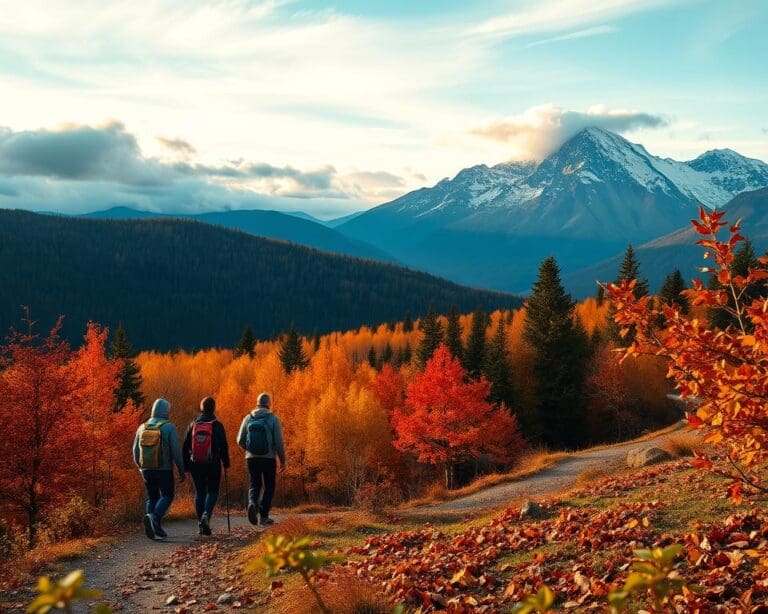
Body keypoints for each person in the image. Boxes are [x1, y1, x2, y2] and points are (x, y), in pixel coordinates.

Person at [132, 398, 185, 541]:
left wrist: (141, 468)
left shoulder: (142, 427)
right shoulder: (169, 427)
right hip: (164, 469)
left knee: (152, 497)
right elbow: (176, 452)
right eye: (168, 410)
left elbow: (135, 450)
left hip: (146, 469)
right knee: (167, 495)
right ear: (165, 411)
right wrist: (181, 470)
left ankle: (155, 527)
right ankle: (154, 518)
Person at [182, 396, 230, 536]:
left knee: (200, 493)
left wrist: (186, 468)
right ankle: (206, 516)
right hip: (213, 462)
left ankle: (200, 524)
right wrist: (225, 464)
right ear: (213, 408)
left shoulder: (193, 424)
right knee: (212, 491)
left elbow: (185, 447)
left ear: (201, 408)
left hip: (196, 463)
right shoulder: (217, 425)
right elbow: (224, 446)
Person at [237, 392, 286, 526]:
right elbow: (278, 442)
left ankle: (252, 503)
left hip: (251, 458)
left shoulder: (248, 418)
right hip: (269, 458)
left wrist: (249, 450)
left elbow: (239, 440)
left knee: (254, 484)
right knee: (269, 486)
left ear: (257, 403)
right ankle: (264, 516)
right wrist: (282, 460)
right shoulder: (273, 419)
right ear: (269, 404)